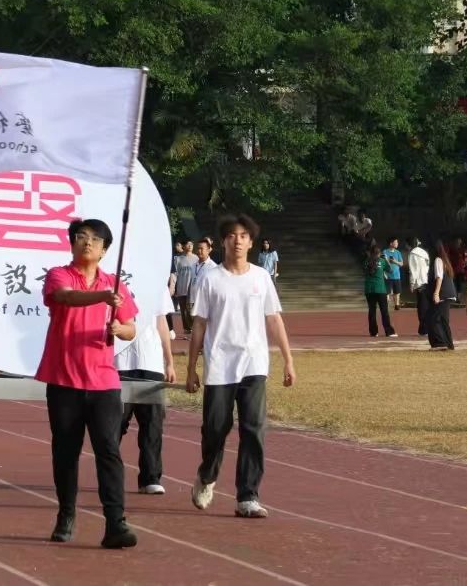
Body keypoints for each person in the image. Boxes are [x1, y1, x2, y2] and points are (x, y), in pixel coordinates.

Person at [35, 218, 138, 548]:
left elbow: (131, 328)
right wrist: (102, 297)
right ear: (72, 244)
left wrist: (119, 329)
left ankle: (115, 523)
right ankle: (66, 513)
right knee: (66, 451)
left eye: (95, 239)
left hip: (104, 381)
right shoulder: (60, 275)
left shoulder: (116, 285)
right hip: (64, 379)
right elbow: (66, 297)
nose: (87, 243)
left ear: (105, 250)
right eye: (81, 237)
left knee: (109, 450)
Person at [186, 214, 295, 520]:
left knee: (254, 428)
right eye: (232, 235)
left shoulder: (261, 277)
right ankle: (207, 475)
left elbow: (273, 319)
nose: (237, 241)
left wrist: (288, 359)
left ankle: (248, 495)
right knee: (215, 429)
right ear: (223, 241)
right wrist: (192, 367)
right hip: (220, 364)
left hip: (254, 363)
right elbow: (199, 324)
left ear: (251, 242)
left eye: (243, 236)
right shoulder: (210, 279)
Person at [116, 283, 176, 497]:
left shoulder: (156, 281)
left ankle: (150, 478)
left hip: (151, 362)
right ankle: (110, 474)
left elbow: (161, 321)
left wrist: (169, 361)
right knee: (114, 424)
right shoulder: (112, 280)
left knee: (152, 423)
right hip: (119, 363)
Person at [183, 238, 217, 337]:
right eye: (198, 248)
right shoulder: (194, 265)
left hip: (205, 304)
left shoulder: (213, 267)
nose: (199, 251)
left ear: (209, 250)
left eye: (202, 249)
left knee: (205, 330)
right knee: (195, 329)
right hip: (193, 301)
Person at [428, 240, 458, 350]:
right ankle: (449, 344)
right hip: (448, 293)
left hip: (443, 294)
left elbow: (439, 277)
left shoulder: (438, 260)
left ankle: (440, 343)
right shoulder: (445, 260)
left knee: (434, 318)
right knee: (443, 320)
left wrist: (436, 293)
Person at [363, 243, 397, 338]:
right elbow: (390, 270)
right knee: (384, 311)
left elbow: (365, 271)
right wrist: (386, 259)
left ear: (370, 253)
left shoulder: (366, 262)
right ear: (379, 253)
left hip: (369, 289)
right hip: (380, 289)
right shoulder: (382, 261)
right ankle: (389, 331)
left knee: (372, 311)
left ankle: (373, 332)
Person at [171, 241, 198, 340]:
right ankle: (187, 329)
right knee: (184, 311)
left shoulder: (196, 258)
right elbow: (174, 274)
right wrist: (173, 287)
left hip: (193, 290)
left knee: (192, 310)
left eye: (191, 244)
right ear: (183, 246)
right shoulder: (178, 259)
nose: (190, 246)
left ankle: (193, 329)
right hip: (182, 288)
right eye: (188, 244)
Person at [408, 237, 431, 335]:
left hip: (419, 282)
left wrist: (412, 283)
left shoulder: (413, 254)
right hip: (426, 279)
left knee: (421, 307)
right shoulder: (424, 253)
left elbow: (413, 270)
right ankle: (425, 328)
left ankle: (424, 329)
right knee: (426, 305)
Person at [382, 238, 404, 312]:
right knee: (387, 292)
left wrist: (395, 261)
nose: (397, 243)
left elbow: (401, 264)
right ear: (391, 243)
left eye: (397, 242)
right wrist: (384, 273)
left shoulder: (398, 252)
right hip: (388, 276)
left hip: (397, 275)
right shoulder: (385, 252)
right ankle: (386, 305)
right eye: (396, 242)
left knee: (397, 292)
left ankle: (397, 305)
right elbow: (383, 263)